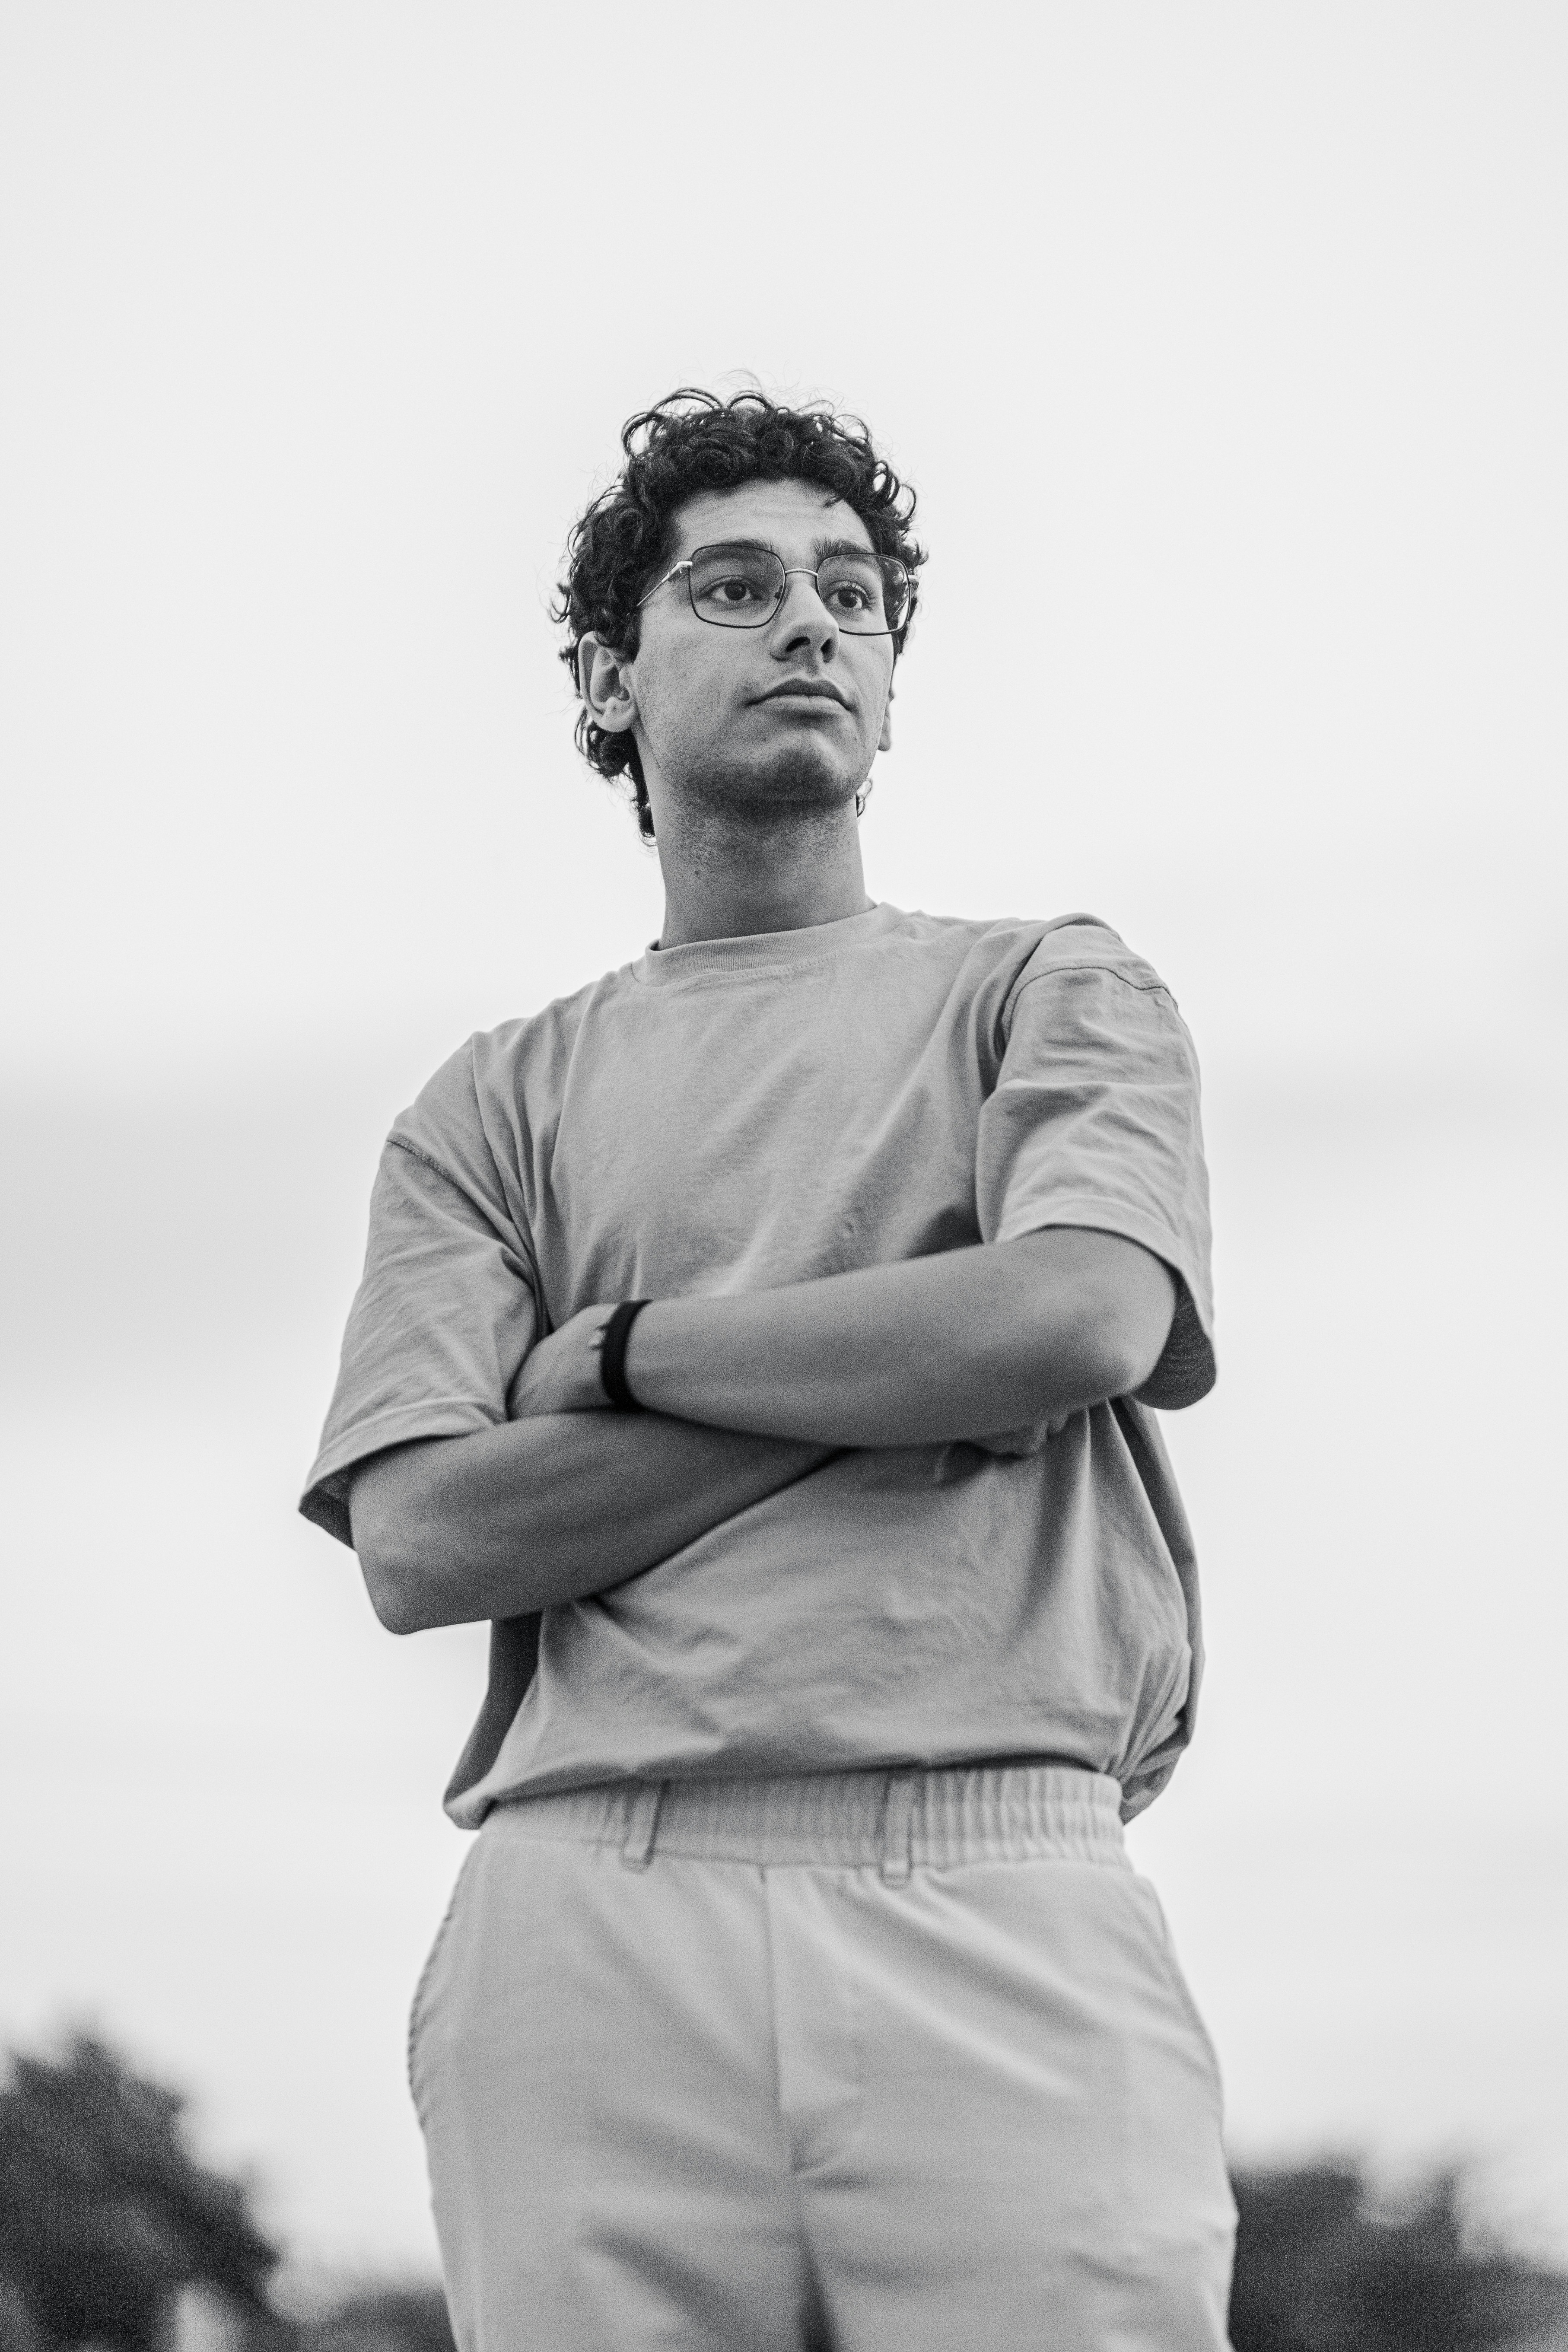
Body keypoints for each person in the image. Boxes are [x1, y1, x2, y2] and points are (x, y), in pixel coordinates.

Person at [301, 388, 1237, 2351]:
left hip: (997, 1878)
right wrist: (913, 1355)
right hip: (589, 1907)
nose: (807, 623)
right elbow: (425, 1540)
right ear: (606, 674)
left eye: (852, 593)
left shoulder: (1045, 987)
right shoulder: (492, 1100)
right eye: (731, 586)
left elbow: (1077, 1320)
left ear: (892, 686)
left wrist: (629, 1353)